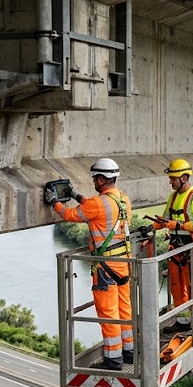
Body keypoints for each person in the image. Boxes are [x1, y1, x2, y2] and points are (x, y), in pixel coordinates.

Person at [45, 158, 133, 371]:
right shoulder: (123, 199)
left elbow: (70, 214)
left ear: (102, 179)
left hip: (105, 267)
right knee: (124, 309)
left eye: (95, 178)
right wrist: (75, 194)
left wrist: (54, 201)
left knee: (108, 312)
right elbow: (95, 207)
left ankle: (113, 360)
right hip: (123, 263)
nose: (94, 181)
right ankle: (129, 352)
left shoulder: (98, 203)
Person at [153, 158, 193, 329]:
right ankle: (183, 320)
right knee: (176, 286)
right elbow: (165, 218)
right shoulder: (173, 196)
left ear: (184, 178)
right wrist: (151, 227)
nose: (170, 182)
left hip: (192, 249)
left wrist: (178, 225)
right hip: (176, 248)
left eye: (173, 179)